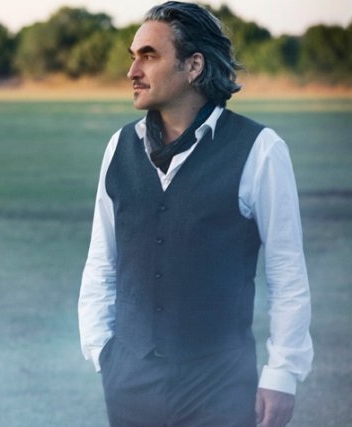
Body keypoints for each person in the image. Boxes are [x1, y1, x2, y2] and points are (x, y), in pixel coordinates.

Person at [78, 2, 313, 426]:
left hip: (220, 383)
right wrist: (103, 352)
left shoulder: (260, 149)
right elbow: (102, 260)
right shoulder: (119, 148)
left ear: (193, 66)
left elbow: (287, 271)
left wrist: (283, 373)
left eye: (148, 56)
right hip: (129, 380)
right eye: (133, 57)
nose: (132, 71)